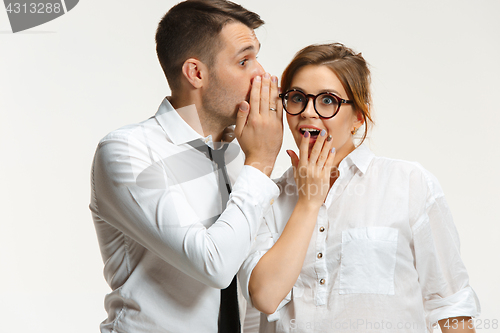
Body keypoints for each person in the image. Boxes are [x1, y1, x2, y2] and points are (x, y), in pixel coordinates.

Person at [239, 43, 480, 333]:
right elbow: (264, 297)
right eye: (298, 97)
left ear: (358, 117)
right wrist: (309, 203)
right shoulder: (265, 196)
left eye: (328, 100)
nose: (308, 112)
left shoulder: (408, 184)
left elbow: (450, 306)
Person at [89, 1, 283, 332]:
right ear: (196, 73)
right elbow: (214, 264)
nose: (261, 74)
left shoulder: (242, 156)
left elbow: (255, 282)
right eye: (244, 60)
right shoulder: (127, 152)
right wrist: (261, 162)